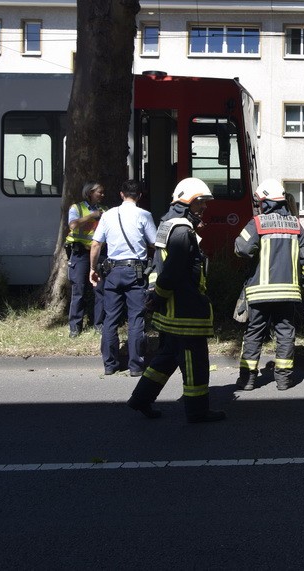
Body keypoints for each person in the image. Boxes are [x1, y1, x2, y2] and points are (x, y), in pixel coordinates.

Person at [127, 177, 225, 423]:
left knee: (166, 358)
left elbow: (158, 267)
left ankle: (141, 399)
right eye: (200, 203)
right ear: (187, 202)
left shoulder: (168, 224)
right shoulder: (182, 231)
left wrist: (156, 298)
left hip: (171, 311)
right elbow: (171, 272)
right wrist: (158, 297)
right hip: (184, 312)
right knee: (195, 363)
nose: (204, 208)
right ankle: (197, 411)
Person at [234, 182, 304, 392]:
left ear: (265, 202)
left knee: (254, 334)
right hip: (288, 293)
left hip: (259, 293)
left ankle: (248, 380)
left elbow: (241, 248)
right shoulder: (296, 225)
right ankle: (283, 380)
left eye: (260, 202)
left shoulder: (258, 223)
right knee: (286, 334)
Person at [89, 180, 156, 376]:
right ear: (140, 196)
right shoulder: (144, 215)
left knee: (110, 318)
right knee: (136, 317)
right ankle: (136, 366)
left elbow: (95, 244)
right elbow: (154, 242)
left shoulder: (108, 215)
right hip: (135, 271)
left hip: (112, 271)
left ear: (121, 194)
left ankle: (110, 365)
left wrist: (93, 268)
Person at [66, 181, 106, 338]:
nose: (102, 195)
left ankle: (99, 325)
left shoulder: (105, 210)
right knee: (79, 290)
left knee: (100, 290)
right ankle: (75, 327)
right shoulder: (76, 208)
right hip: (81, 253)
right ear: (90, 193)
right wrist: (91, 216)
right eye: (99, 192)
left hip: (99, 254)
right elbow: (73, 225)